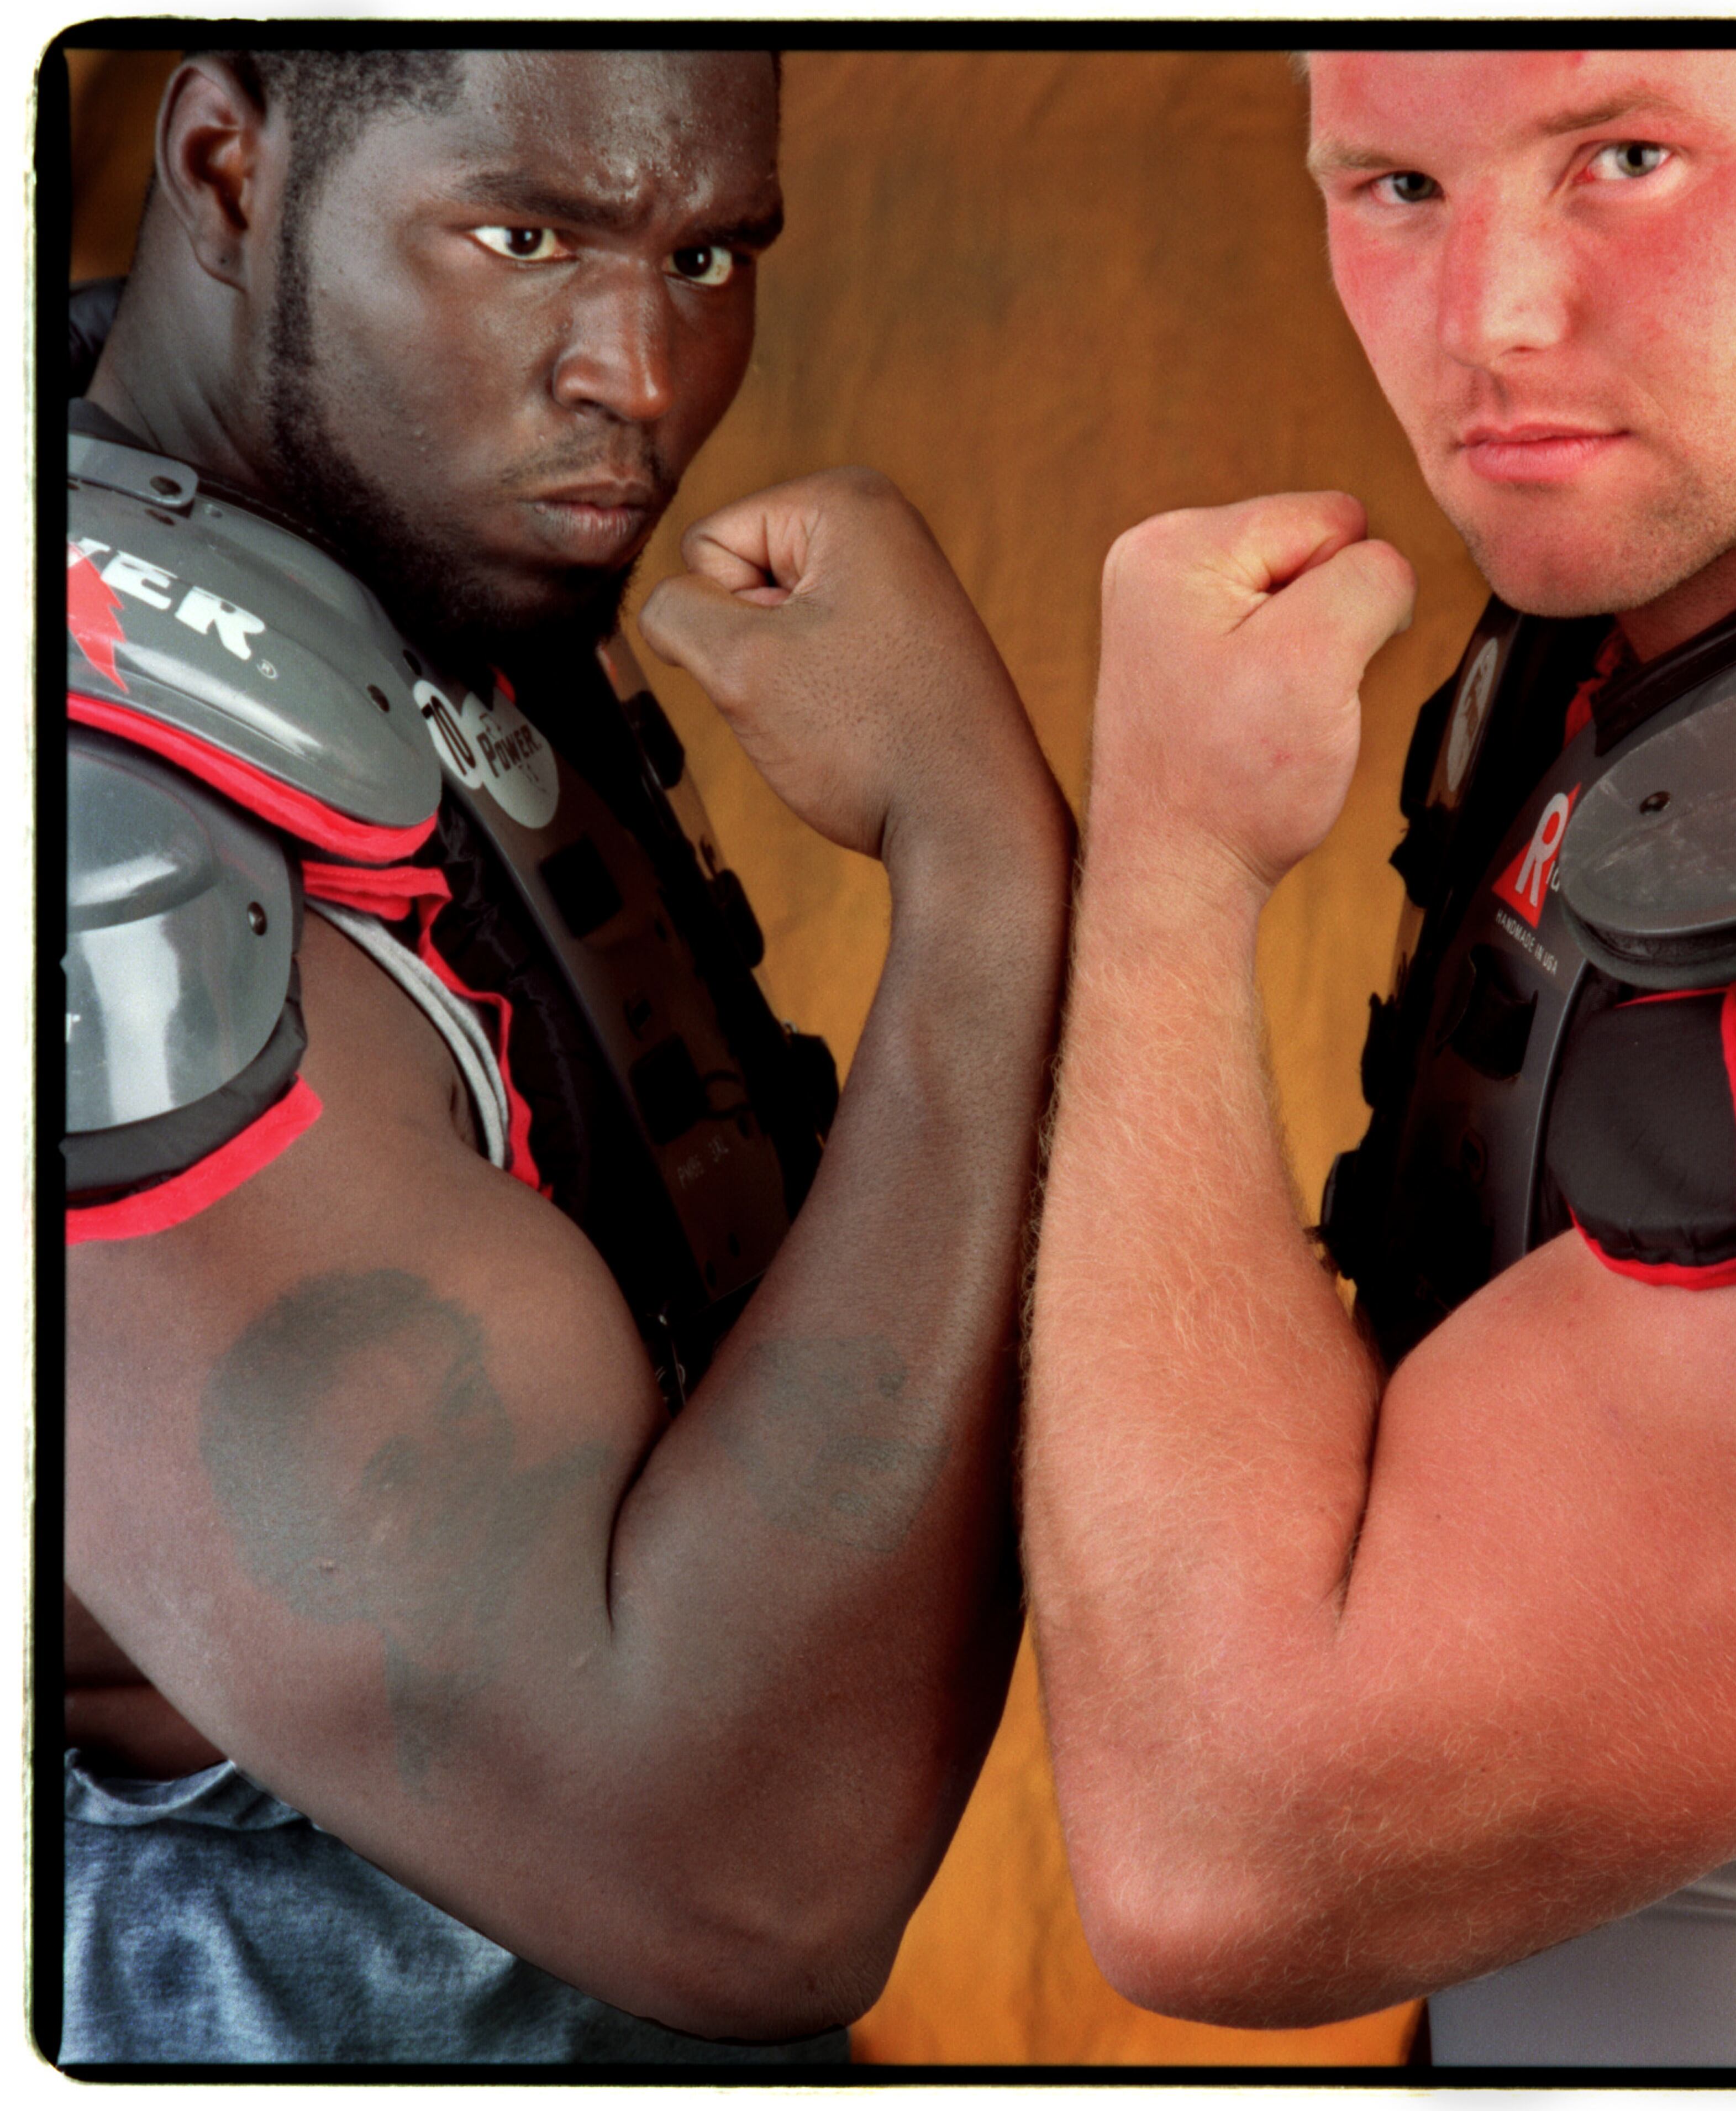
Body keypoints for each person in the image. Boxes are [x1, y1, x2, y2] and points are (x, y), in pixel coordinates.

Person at [1023, 48, 1736, 2069]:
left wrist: (1160, 859)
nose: (1492, 321)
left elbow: (1228, 1849)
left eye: (1628, 159)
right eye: (1394, 186)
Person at [60, 48, 1072, 2065]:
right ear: (226, 172)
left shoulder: (385, 560)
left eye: (708, 255)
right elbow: (742, 1875)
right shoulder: (89, 836)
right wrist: (990, 874)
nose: (642, 374)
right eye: (524, 238)